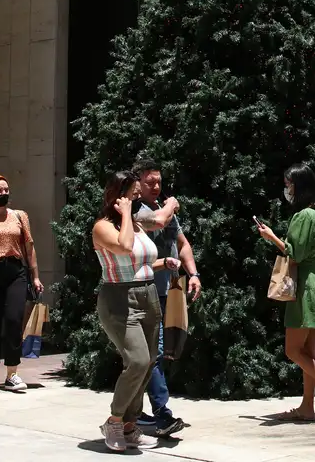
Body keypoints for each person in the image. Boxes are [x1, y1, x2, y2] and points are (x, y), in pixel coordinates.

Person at [92, 171, 180, 452]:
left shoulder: (136, 225)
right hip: (119, 298)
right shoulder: (103, 227)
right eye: (131, 195)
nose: (135, 200)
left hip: (148, 294)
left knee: (149, 362)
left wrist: (163, 262)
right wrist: (128, 215)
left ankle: (130, 425)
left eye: (135, 195)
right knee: (138, 361)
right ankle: (114, 420)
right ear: (116, 196)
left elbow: (139, 261)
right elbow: (124, 246)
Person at [256, 163, 315, 422]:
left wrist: (271, 236)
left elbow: (293, 253)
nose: (286, 189)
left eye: (289, 184)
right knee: (308, 352)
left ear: (299, 186)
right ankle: (307, 406)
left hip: (306, 288)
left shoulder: (302, 217)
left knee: (293, 351)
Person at [131, 158, 201, 436]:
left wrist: (193, 274)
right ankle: (161, 413)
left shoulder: (163, 209)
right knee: (152, 354)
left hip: (167, 294)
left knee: (157, 354)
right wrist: (171, 206)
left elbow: (183, 245)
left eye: (158, 181)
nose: (156, 186)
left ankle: (135, 414)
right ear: (137, 183)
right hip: (141, 293)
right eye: (150, 182)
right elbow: (156, 223)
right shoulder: (134, 211)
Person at [0, 173, 43, 391]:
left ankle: (12, 372)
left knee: (14, 320)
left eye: (6, 190)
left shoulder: (19, 216)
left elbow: (29, 247)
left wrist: (36, 276)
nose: (4, 194)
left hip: (15, 270)